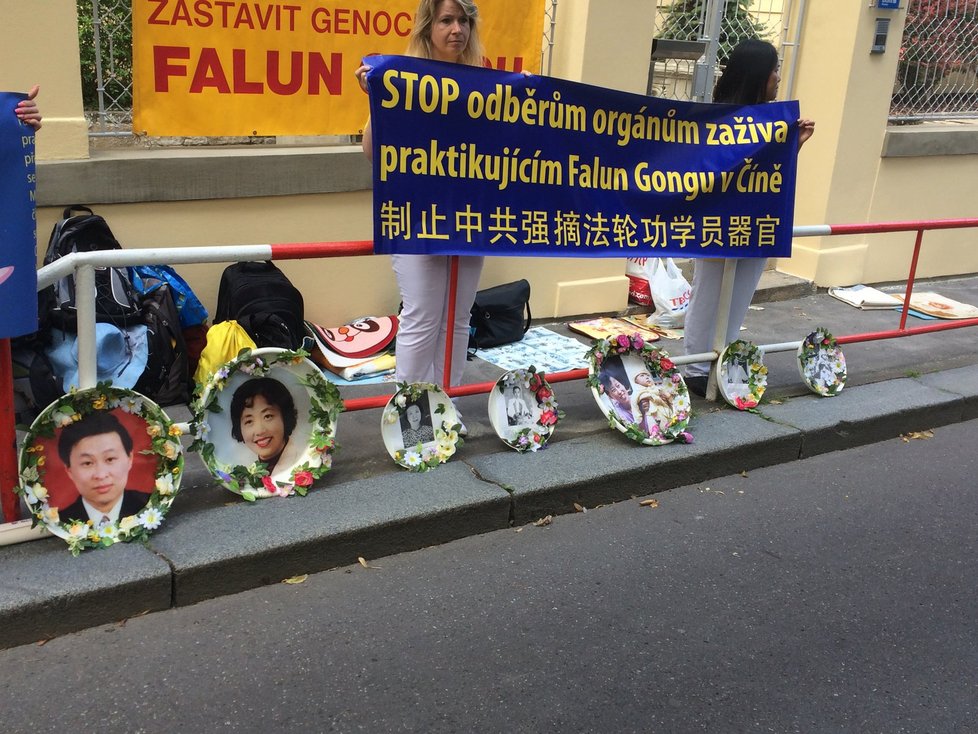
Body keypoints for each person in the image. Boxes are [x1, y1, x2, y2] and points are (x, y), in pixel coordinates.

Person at [356, 0, 488, 433]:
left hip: (470, 218)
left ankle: (445, 406)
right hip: (415, 217)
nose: (457, 30)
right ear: (428, 27)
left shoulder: (485, 84)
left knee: (459, 317)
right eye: (447, 20)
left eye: (463, 20)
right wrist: (378, 101)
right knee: (423, 315)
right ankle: (412, 419)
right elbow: (372, 152)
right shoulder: (402, 80)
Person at [683, 40, 815, 397]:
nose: (777, 78)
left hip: (756, 223)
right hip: (717, 224)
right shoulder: (716, 120)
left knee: (739, 296)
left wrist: (794, 144)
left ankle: (723, 361)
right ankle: (696, 369)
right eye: (773, 70)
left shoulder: (774, 125)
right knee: (709, 292)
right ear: (756, 74)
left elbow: (767, 172)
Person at [56, 411, 150, 525]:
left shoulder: (151, 506)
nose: (101, 475)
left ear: (129, 459)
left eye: (110, 459)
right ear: (69, 470)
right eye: (87, 463)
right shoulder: (60, 522)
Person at [230, 377, 301, 476]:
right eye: (249, 421)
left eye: (268, 416)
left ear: (285, 417)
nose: (259, 431)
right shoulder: (249, 472)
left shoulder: (302, 459)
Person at [597, 355, 635, 424]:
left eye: (618, 385)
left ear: (623, 384)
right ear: (611, 396)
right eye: (613, 390)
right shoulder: (618, 413)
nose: (619, 391)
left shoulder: (639, 397)